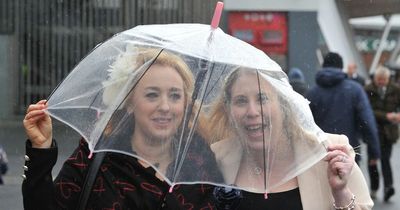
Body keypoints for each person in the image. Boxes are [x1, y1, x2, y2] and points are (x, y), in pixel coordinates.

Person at [22, 48, 223, 209]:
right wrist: (41, 148)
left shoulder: (201, 164)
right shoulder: (95, 157)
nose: (165, 107)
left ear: (186, 104)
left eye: (175, 96)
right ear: (129, 102)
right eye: (152, 95)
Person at [208, 68, 374, 209]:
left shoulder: (329, 154)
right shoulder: (216, 160)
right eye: (241, 101)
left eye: (262, 99)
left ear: (283, 104)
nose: (252, 111)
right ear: (229, 109)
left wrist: (341, 193)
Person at [307, 52, 380, 165]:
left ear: (323, 66)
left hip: (321, 154)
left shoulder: (312, 93)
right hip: (348, 152)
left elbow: (305, 125)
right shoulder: (355, 90)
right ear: (341, 67)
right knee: (351, 182)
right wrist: (374, 151)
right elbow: (367, 121)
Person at [364, 65, 399, 202]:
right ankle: (374, 187)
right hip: (373, 131)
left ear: (388, 79)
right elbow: (366, 111)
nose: (381, 82)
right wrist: (386, 116)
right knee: (372, 161)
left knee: (385, 159)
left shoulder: (396, 90)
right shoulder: (368, 90)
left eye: (384, 80)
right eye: (379, 80)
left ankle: (388, 187)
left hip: (389, 132)